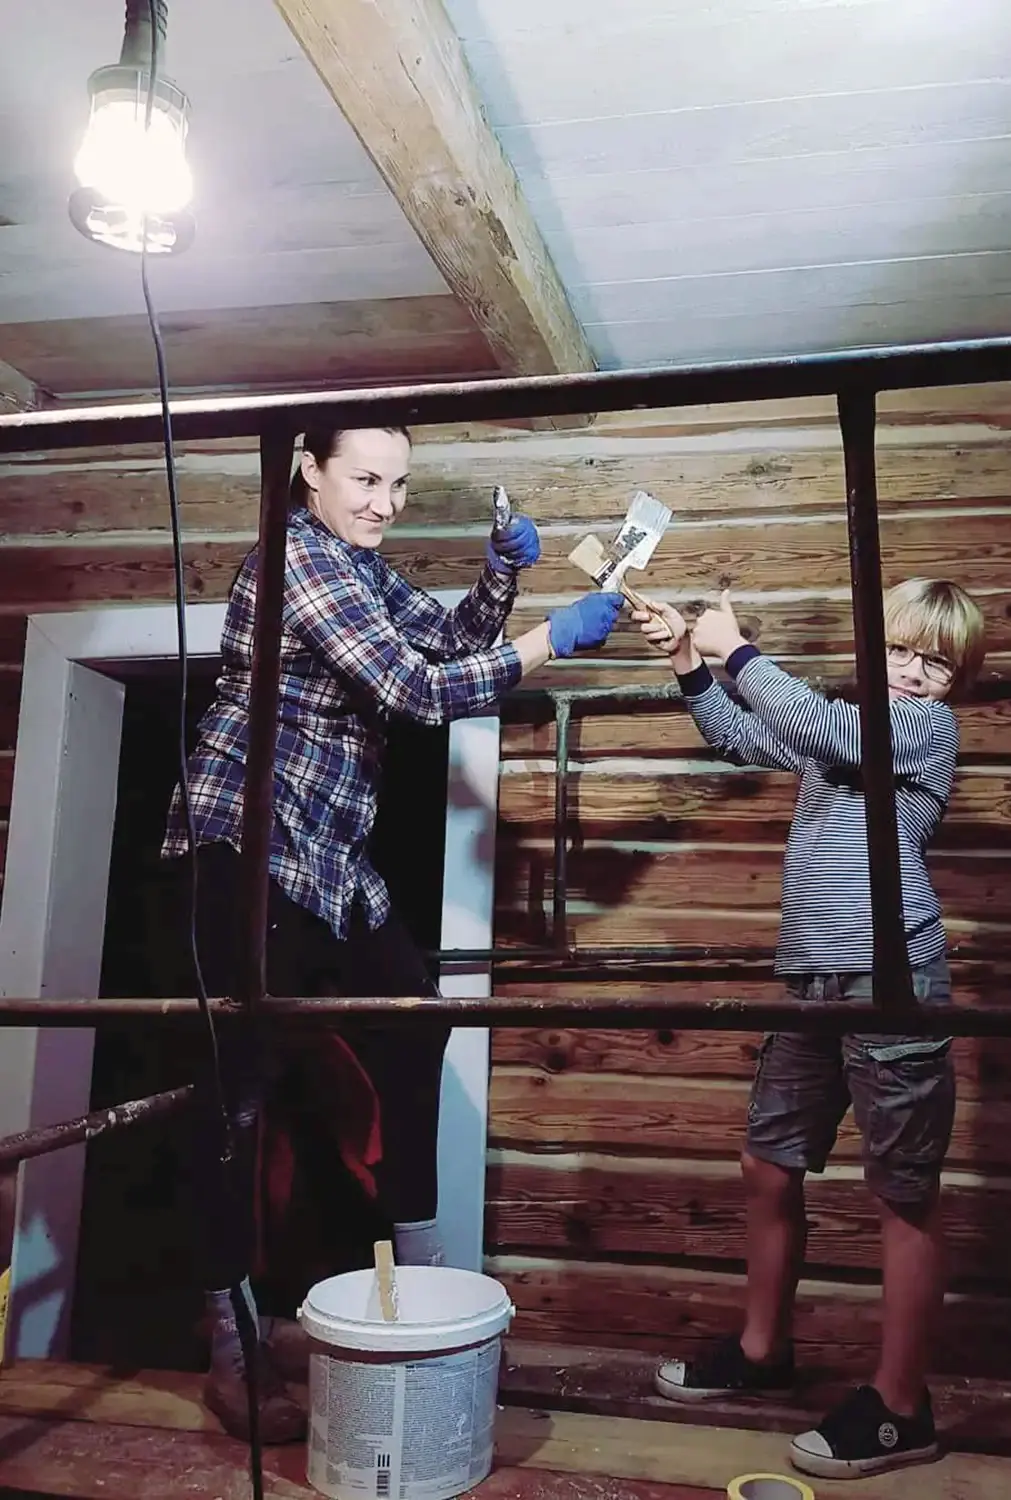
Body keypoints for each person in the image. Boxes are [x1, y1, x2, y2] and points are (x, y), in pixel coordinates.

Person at [160, 425, 624, 1444]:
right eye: (366, 480)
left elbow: (447, 644)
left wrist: (499, 578)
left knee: (415, 1023)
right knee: (236, 1095)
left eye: (400, 484)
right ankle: (232, 1347)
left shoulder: (362, 569)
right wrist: (549, 640)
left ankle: (423, 1288)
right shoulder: (295, 559)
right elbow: (414, 694)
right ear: (310, 471)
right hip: (248, 839)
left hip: (333, 857)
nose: (385, 503)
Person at [633, 579, 985, 1480]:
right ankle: (763, 1352)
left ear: (955, 684)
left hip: (893, 982)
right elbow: (740, 735)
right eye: (900, 650)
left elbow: (824, 726)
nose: (913, 672)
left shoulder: (919, 730)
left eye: (937, 664)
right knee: (769, 1161)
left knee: (903, 1191)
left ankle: (902, 1408)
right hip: (813, 981)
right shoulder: (842, 726)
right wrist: (691, 659)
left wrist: (740, 649)